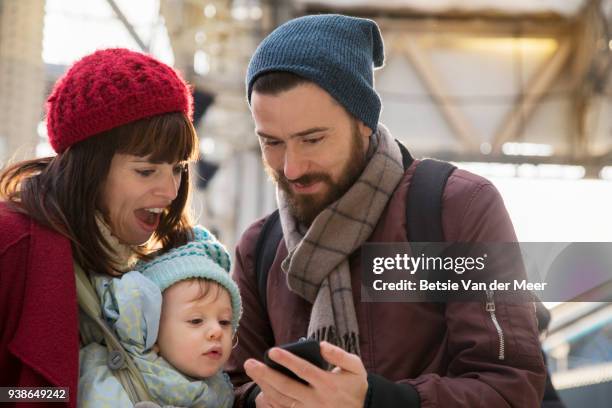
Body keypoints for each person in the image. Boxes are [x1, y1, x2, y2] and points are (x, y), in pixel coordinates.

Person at [227, 14, 546, 408]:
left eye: (312, 139)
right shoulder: (259, 248)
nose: (291, 167)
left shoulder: (456, 209)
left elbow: (510, 389)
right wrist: (264, 398)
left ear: (364, 121)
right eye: (272, 143)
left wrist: (374, 401)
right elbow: (228, 387)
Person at [0, 48, 198, 407]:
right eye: (145, 170)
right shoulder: (9, 241)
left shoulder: (161, 268)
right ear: (89, 169)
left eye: (177, 168)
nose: (170, 192)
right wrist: (55, 393)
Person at [78, 225, 242, 407]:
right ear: (151, 330)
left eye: (225, 322)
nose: (216, 331)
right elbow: (46, 395)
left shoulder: (223, 392)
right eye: (196, 320)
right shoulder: (108, 377)